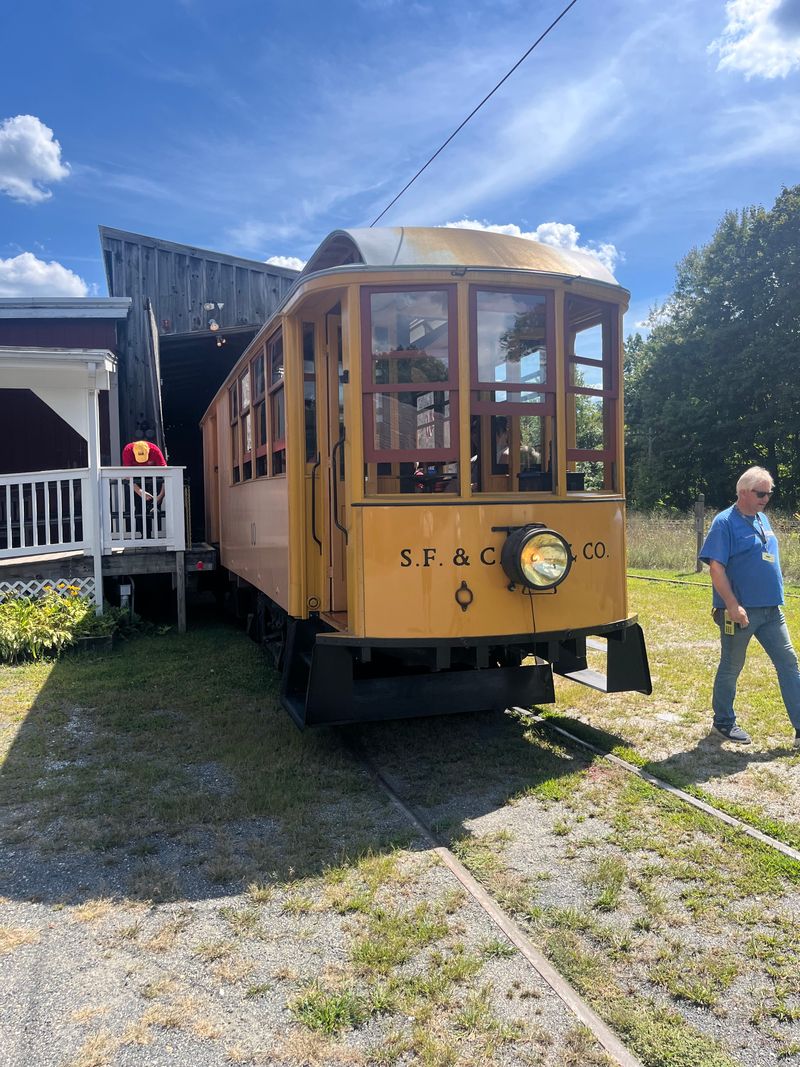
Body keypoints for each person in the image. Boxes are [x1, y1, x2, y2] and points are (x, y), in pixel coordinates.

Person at [699, 466, 800, 747]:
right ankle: (723, 723)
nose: (766, 498)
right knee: (732, 666)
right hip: (740, 612)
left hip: (771, 611)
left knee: (789, 663)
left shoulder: (761, 519)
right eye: (760, 493)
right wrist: (732, 605)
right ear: (743, 492)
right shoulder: (724, 522)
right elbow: (716, 569)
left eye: (769, 493)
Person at [122, 439, 167, 507]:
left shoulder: (155, 450)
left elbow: (165, 474)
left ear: (148, 451)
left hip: (153, 477)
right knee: (138, 506)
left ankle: (156, 509)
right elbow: (127, 475)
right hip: (135, 478)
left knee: (156, 507)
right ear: (134, 452)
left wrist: (161, 496)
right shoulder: (128, 450)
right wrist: (140, 492)